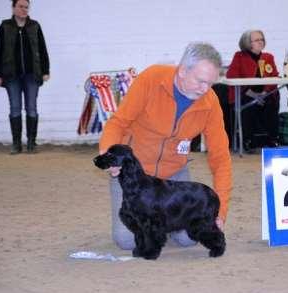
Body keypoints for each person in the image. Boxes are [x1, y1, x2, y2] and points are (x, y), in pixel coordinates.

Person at [98, 42, 233, 250]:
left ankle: (161, 224)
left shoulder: (210, 103)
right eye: (200, 81)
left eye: (211, 83)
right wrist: (108, 154)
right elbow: (117, 123)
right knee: (127, 240)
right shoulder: (151, 79)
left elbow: (221, 158)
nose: (205, 89)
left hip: (173, 177)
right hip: (134, 177)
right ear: (182, 71)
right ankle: (159, 225)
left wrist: (220, 212)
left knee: (189, 239)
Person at [0, 0, 50, 154]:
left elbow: (42, 49)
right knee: (15, 108)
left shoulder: (35, 26)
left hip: (32, 75)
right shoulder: (5, 26)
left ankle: (31, 144)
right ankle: (16, 144)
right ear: (13, 8)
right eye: (21, 6)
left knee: (32, 108)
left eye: (26, 7)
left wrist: (45, 71)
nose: (24, 9)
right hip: (11, 75)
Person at [226, 30, 280, 150]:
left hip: (265, 94)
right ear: (247, 43)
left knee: (272, 102)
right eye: (257, 40)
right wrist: (254, 95)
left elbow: (274, 77)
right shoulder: (239, 56)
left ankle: (272, 138)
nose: (261, 42)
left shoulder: (268, 57)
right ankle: (247, 140)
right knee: (247, 105)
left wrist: (264, 93)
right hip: (245, 93)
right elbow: (232, 76)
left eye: (262, 39)